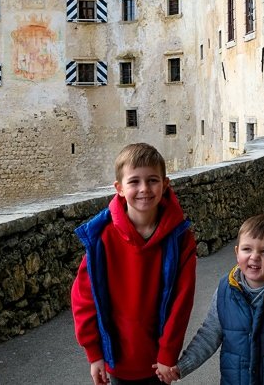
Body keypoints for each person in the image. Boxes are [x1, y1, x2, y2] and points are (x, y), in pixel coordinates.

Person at [71, 143, 197, 385]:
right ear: (119, 188)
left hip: (157, 362)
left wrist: (168, 353)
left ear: (165, 184)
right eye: (134, 182)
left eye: (152, 180)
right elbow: (84, 298)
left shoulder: (180, 238)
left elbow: (182, 301)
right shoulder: (102, 239)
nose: (144, 189)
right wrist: (94, 354)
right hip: (116, 361)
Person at [156, 214, 264, 385]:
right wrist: (182, 366)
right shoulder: (225, 291)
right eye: (247, 249)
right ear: (236, 252)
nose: (254, 256)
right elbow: (209, 335)